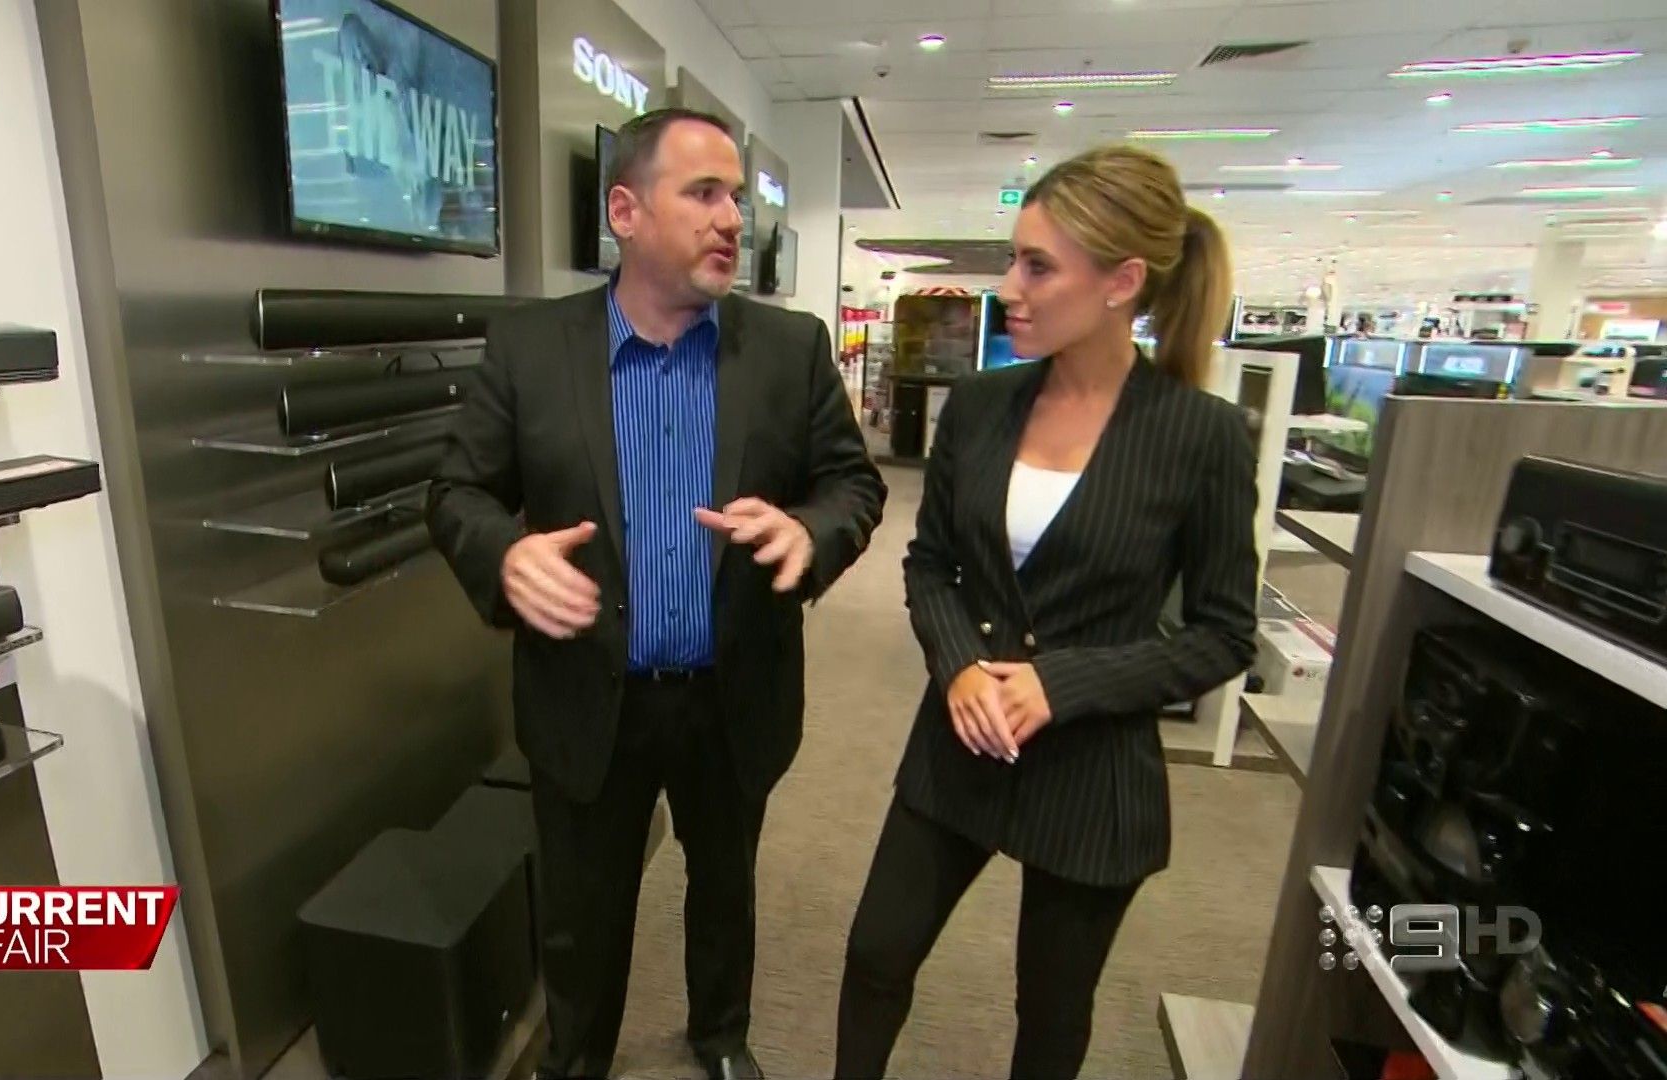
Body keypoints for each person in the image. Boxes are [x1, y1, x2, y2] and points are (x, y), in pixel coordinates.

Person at [427, 107, 886, 1080]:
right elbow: (457, 492)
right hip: (587, 692)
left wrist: (811, 532)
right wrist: (504, 556)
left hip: (735, 686)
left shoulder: (790, 349)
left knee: (726, 886)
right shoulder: (530, 348)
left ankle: (720, 1037)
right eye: (704, 193)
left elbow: (853, 484)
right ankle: (578, 1057)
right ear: (626, 212)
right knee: (582, 908)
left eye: (738, 197)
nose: (733, 219)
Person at [833, 145, 1260, 1080]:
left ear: (1121, 282)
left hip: (1091, 768)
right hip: (959, 742)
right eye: (1012, 259)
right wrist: (959, 666)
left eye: (1037, 267)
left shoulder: (1203, 436)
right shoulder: (980, 406)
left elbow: (1226, 633)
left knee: (1052, 1010)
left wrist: (1059, 684)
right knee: (875, 955)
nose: (1008, 290)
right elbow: (931, 564)